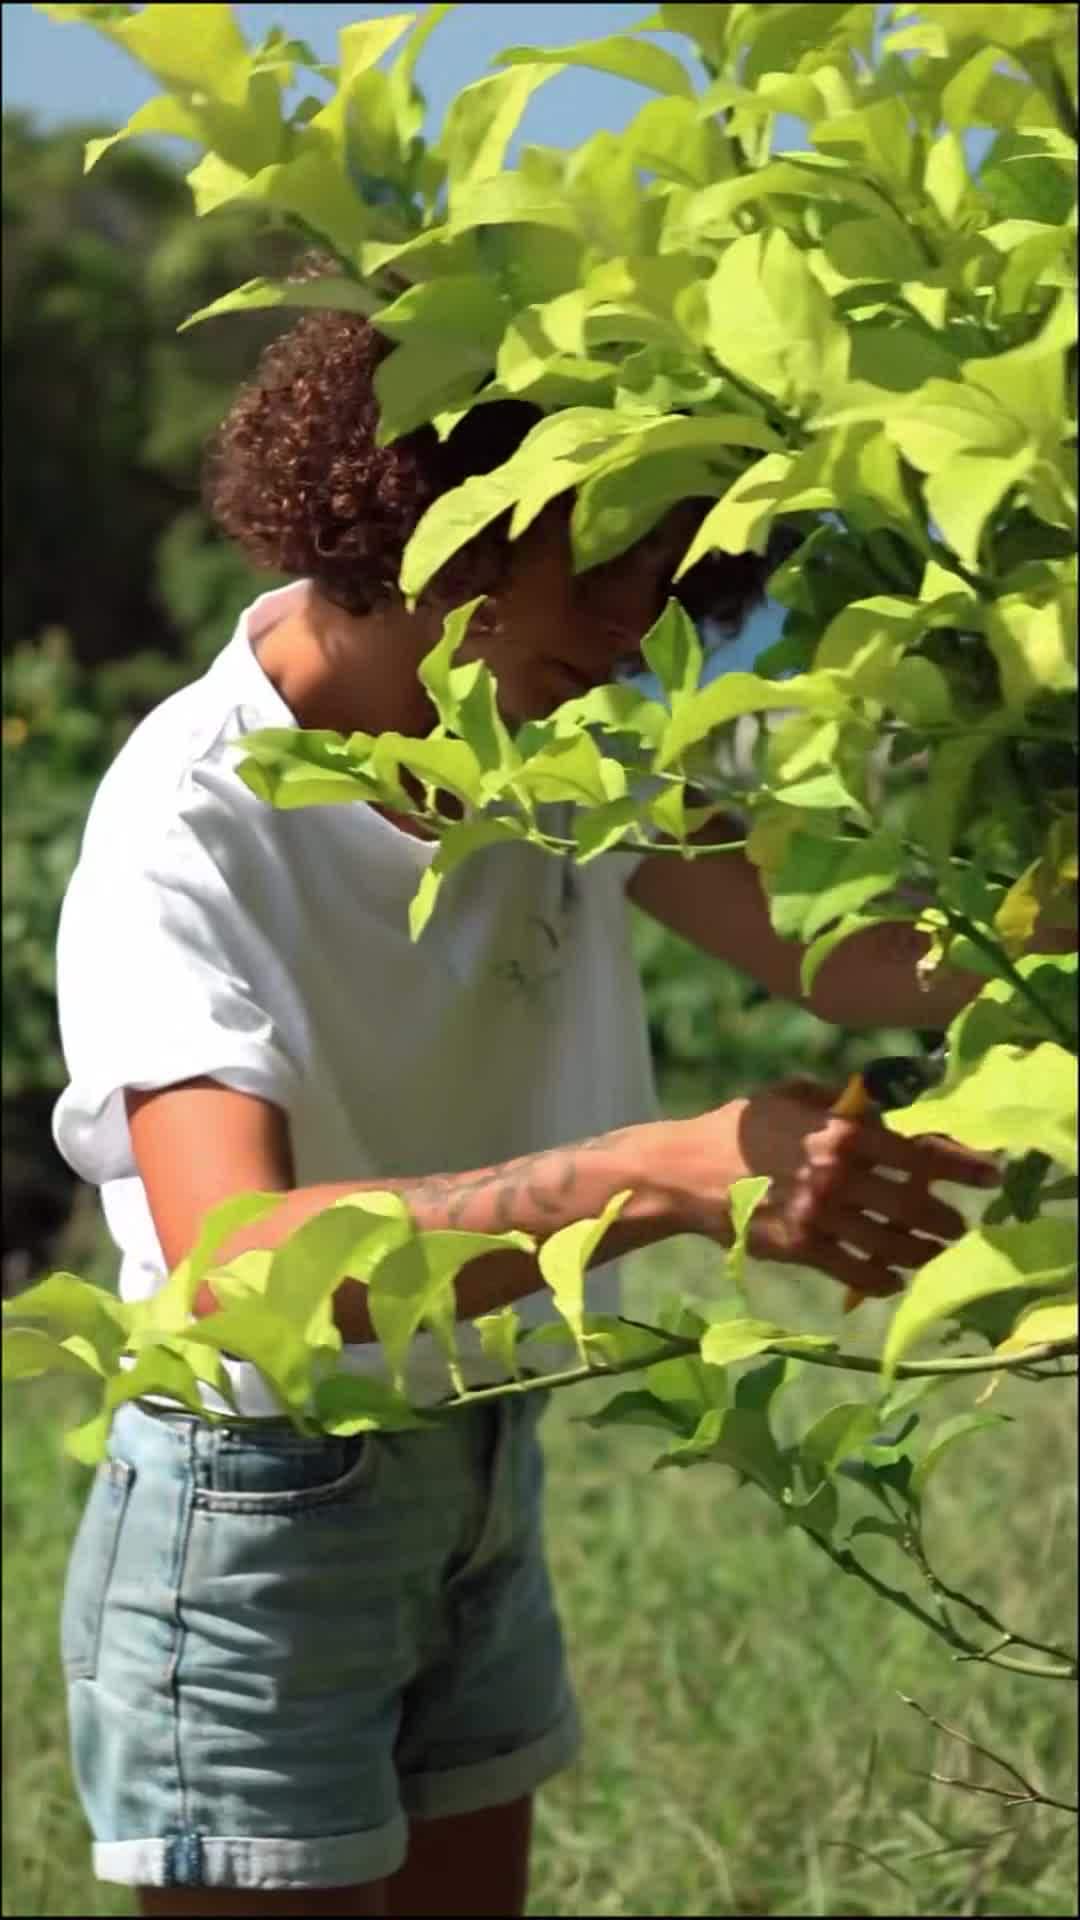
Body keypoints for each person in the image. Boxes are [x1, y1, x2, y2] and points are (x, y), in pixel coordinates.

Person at [51, 294, 999, 1920]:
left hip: (480, 1453)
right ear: (433, 518)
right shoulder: (187, 819)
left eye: (672, 573)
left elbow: (848, 951)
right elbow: (240, 1283)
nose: (641, 623)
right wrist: (661, 1176)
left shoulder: (553, 745)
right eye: (605, 560)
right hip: (257, 1511)